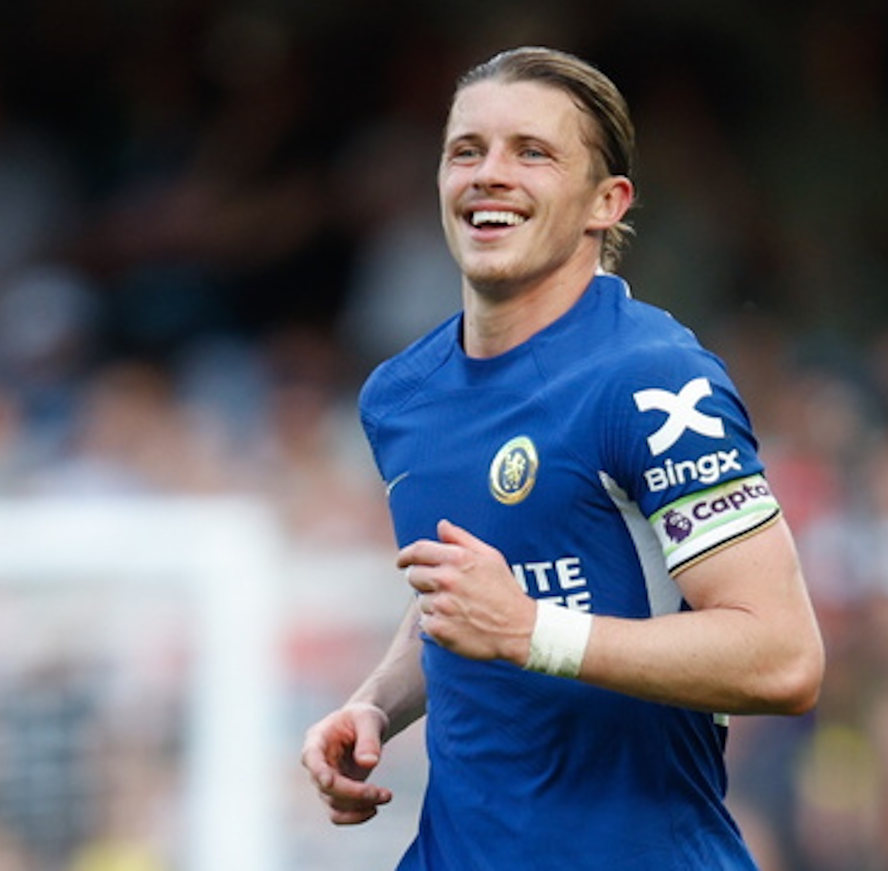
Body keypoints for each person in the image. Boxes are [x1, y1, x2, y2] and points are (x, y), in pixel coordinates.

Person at [300, 45, 825, 870]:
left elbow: (782, 656)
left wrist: (533, 632)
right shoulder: (401, 397)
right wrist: (375, 703)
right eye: (466, 150)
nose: (489, 173)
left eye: (532, 152)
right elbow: (475, 594)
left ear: (605, 203)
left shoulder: (653, 380)